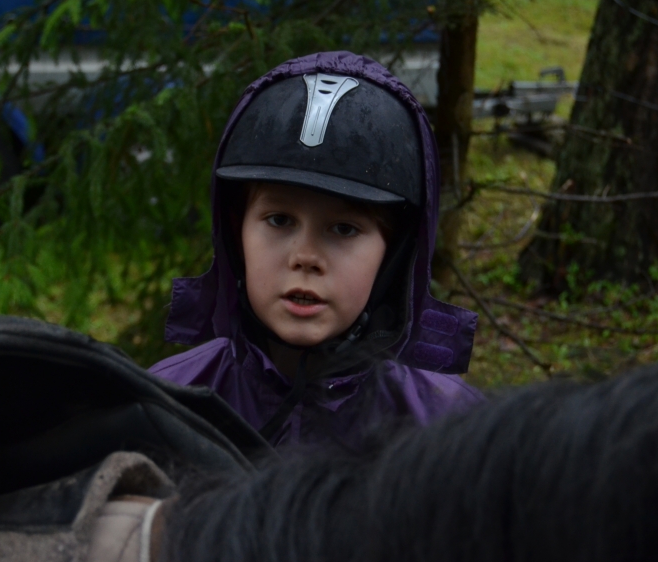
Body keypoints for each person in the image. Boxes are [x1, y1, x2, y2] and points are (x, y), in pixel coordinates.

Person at [149, 51, 482, 448]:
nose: (305, 257)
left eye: (343, 228)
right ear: (236, 234)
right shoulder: (165, 410)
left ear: (394, 255)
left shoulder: (452, 437)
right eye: (279, 220)